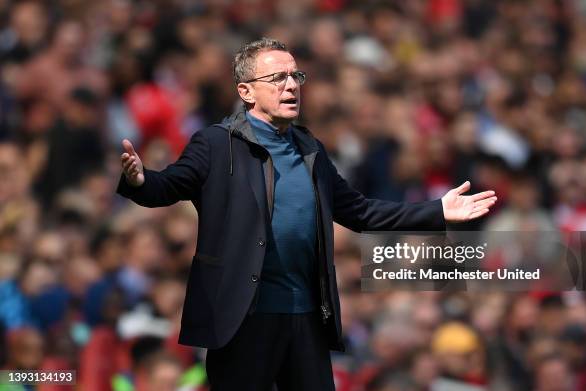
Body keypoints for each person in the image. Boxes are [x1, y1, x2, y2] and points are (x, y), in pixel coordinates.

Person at [116, 38, 497, 391]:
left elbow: (358, 211)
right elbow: (167, 186)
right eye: (277, 77)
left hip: (306, 316)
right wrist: (139, 180)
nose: (292, 85)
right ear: (245, 91)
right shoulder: (217, 144)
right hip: (242, 318)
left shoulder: (310, 148)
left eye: (295, 75)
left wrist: (438, 211)